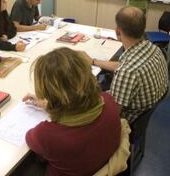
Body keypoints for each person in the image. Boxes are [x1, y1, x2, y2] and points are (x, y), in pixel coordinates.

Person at [20, 47, 121, 176]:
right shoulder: (108, 101)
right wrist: (50, 105)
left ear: (48, 94)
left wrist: (52, 108)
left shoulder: (47, 135)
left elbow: (30, 139)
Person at [91, 7, 168, 123]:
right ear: (143, 28)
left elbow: (113, 113)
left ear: (117, 31)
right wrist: (94, 61)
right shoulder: (153, 49)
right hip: (145, 107)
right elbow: (122, 65)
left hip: (127, 119)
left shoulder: (127, 72)